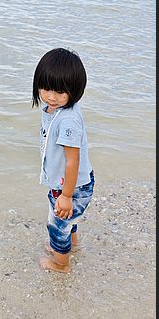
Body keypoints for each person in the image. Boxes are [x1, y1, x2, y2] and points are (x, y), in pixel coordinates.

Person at [32, 48, 95, 273]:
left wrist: (67, 195)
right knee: (67, 220)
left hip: (71, 186)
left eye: (60, 92)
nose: (51, 96)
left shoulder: (67, 120)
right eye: (46, 88)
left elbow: (72, 160)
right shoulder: (55, 109)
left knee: (57, 225)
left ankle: (61, 264)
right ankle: (72, 246)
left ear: (74, 91)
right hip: (70, 182)